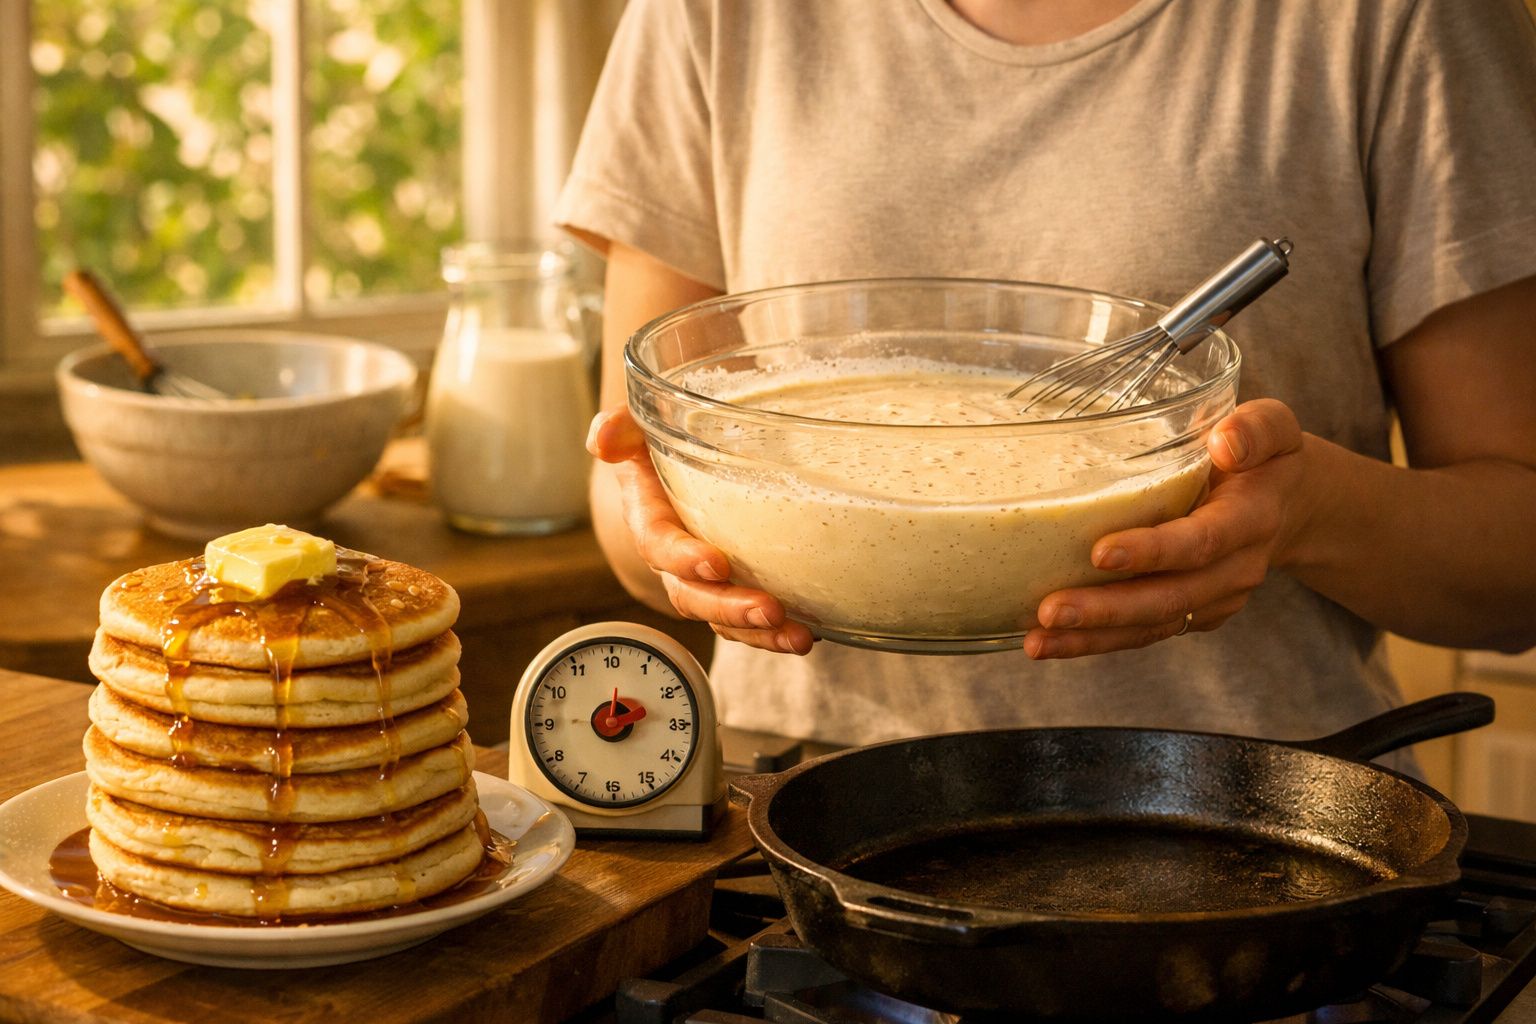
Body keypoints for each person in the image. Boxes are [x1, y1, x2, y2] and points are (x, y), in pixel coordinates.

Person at [553, 0, 1536, 764]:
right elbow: (632, 475)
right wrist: (662, 547)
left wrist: (1309, 510)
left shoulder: (1398, 18)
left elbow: (1517, 564)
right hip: (789, 821)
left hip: (1239, 835)